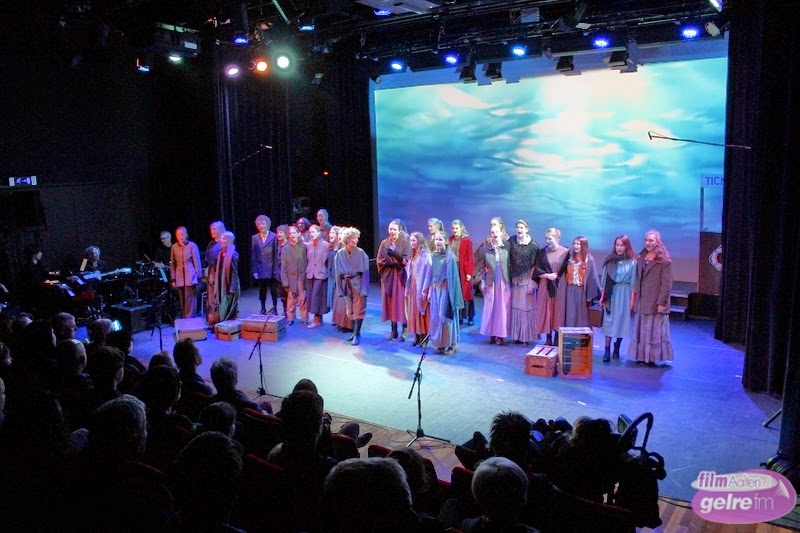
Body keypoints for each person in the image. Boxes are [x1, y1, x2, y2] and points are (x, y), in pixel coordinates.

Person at [629, 230, 674, 366]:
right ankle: (641, 356)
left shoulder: (664, 261)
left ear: (657, 242)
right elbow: (638, 280)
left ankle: (652, 357)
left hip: (655, 301)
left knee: (654, 331)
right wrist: (634, 298)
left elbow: (666, 284)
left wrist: (661, 303)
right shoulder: (641, 257)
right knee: (642, 329)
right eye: (646, 240)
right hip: (642, 300)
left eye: (651, 240)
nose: (648, 243)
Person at [599, 235, 637, 362]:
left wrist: (632, 301)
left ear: (626, 246)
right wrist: (602, 297)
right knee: (608, 322)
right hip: (611, 293)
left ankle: (617, 348)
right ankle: (607, 350)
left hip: (625, 294)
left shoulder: (632, 262)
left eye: (622, 245)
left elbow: (633, 283)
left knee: (621, 322)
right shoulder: (610, 261)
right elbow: (604, 280)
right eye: (617, 245)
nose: (619, 248)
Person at [429, 231, 464, 355]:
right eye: (436, 240)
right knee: (436, 318)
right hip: (436, 291)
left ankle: (451, 344)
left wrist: (451, 294)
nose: (438, 242)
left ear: (445, 241)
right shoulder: (433, 256)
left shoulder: (450, 257)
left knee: (446, 317)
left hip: (446, 291)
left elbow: (453, 278)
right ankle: (440, 344)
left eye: (440, 240)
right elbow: (431, 274)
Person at [533, 228, 569, 346]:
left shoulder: (565, 252)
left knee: (558, 311)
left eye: (550, 238)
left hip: (560, 285)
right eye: (546, 238)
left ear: (557, 238)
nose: (547, 241)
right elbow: (537, 271)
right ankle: (548, 337)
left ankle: (557, 337)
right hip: (545, 284)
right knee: (547, 311)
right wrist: (548, 276)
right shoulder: (542, 252)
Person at [377, 219, 410, 341]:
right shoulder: (384, 243)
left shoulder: (405, 242)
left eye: (394, 229)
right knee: (390, 302)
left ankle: (405, 329)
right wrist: (390, 264)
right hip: (388, 276)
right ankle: (393, 330)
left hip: (400, 276)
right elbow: (380, 260)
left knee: (401, 302)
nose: (392, 231)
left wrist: (397, 259)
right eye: (390, 229)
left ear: (399, 231)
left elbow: (407, 260)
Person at [335, 227, 369, 346]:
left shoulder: (361, 253)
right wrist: (340, 287)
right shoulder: (340, 254)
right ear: (348, 239)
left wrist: (364, 289)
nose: (356, 240)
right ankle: (355, 332)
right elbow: (337, 272)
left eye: (357, 238)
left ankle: (356, 334)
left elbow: (365, 272)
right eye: (354, 238)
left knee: (359, 309)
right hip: (346, 285)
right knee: (350, 310)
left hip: (358, 285)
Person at [478, 225, 511, 345]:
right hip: (491, 280)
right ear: (490, 234)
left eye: (497, 232)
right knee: (491, 307)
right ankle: (491, 333)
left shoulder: (507, 246)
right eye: (492, 232)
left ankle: (501, 335)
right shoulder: (485, 249)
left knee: (502, 308)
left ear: (501, 233)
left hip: (504, 280)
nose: (495, 234)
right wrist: (483, 281)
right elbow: (482, 267)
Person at [508, 220, 539, 345]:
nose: (519, 230)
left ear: (527, 229)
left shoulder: (533, 246)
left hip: (527, 280)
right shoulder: (511, 241)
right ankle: (516, 335)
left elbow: (535, 266)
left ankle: (526, 336)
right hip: (515, 281)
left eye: (521, 227)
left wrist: (532, 283)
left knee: (526, 309)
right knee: (515, 308)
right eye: (517, 227)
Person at [559, 236, 600, 328]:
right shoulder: (570, 258)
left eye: (578, 244)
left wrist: (591, 296)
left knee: (582, 316)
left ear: (583, 245)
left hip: (582, 291)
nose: (575, 246)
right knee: (571, 314)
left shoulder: (589, 259)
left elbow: (593, 277)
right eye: (574, 244)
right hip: (570, 290)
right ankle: (570, 335)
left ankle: (582, 336)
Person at [405, 232, 431, 347]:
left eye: (413, 240)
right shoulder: (412, 254)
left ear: (419, 241)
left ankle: (423, 337)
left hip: (421, 287)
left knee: (422, 312)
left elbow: (429, 273)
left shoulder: (425, 255)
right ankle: (416, 336)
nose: (411, 243)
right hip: (413, 287)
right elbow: (409, 273)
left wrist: (425, 289)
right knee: (413, 312)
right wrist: (407, 287)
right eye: (410, 240)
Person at [170, 226, 202, 319]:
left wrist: (198, 276)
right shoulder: (174, 247)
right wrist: (173, 278)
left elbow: (197, 262)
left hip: (190, 276)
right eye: (178, 235)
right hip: (179, 276)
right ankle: (185, 319)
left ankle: (190, 318)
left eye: (182, 234)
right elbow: (173, 264)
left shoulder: (192, 246)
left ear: (186, 235)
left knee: (190, 299)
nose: (181, 237)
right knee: (182, 299)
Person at [251, 215, 279, 315]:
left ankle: (275, 308)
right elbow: (254, 255)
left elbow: (276, 253)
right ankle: (263, 308)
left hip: (271, 268)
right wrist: (255, 270)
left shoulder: (274, 236)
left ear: (267, 224)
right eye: (259, 224)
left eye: (263, 224)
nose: (261, 226)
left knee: (273, 289)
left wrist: (276, 268)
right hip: (260, 268)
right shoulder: (254, 238)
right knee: (262, 290)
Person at [450, 220, 476, 327]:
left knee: (467, 294)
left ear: (461, 228)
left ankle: (470, 316)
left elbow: (470, 258)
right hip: (454, 268)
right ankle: (460, 316)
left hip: (463, 270)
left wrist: (469, 272)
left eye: (457, 228)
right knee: (457, 293)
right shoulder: (450, 239)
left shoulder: (466, 240)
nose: (455, 230)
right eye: (453, 228)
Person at [281, 226, 308, 326]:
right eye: (290, 233)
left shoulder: (303, 247)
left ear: (297, 234)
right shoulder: (285, 248)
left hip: (301, 277)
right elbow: (283, 266)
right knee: (291, 300)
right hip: (291, 277)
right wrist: (285, 281)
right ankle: (290, 319)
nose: (292, 235)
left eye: (294, 233)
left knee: (302, 299)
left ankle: (304, 318)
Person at [328, 226, 352, 332]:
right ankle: (340, 322)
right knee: (339, 302)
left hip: (347, 279)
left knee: (346, 302)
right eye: (340, 234)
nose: (340, 236)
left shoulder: (349, 248)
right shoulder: (340, 248)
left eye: (343, 234)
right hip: (340, 278)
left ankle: (347, 325)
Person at [306, 224, 330, 328]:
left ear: (319, 232)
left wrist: (326, 271)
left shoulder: (325, 245)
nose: (312, 234)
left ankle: (316, 320)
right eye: (310, 232)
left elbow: (329, 260)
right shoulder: (309, 245)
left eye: (313, 232)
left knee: (316, 295)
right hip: (310, 273)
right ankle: (318, 319)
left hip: (321, 273)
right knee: (312, 296)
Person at [214, 231, 240, 323]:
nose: (221, 240)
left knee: (226, 305)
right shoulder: (221, 253)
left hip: (229, 284)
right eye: (221, 238)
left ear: (229, 241)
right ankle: (222, 323)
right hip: (221, 282)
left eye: (224, 239)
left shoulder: (233, 255)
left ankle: (225, 324)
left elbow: (234, 273)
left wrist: (232, 287)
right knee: (221, 303)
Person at [204, 221, 226, 323]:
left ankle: (220, 318)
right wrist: (206, 268)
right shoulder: (211, 244)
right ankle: (212, 319)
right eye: (211, 229)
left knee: (219, 296)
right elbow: (207, 258)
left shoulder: (224, 243)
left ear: (221, 230)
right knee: (211, 297)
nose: (212, 231)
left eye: (214, 229)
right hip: (211, 273)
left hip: (220, 273)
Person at [275, 224, 290, 316]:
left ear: (286, 234)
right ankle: (285, 311)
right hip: (279, 274)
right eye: (278, 232)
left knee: (288, 294)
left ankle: (289, 313)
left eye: (281, 232)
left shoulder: (289, 245)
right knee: (282, 294)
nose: (279, 234)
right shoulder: (277, 245)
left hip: (287, 273)